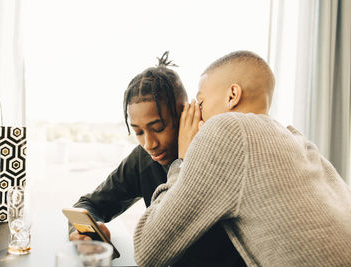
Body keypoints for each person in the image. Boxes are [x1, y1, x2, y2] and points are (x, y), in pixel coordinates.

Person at [134, 50, 351, 266]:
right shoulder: (301, 142)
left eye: (200, 104)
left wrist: (182, 160)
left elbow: (147, 251)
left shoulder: (227, 128)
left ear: (232, 96)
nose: (196, 116)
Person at [70, 52, 245, 266]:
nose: (149, 143)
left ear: (186, 114)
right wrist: (88, 230)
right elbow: (88, 204)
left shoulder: (218, 156)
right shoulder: (143, 159)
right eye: (138, 132)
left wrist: (183, 162)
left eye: (158, 128)